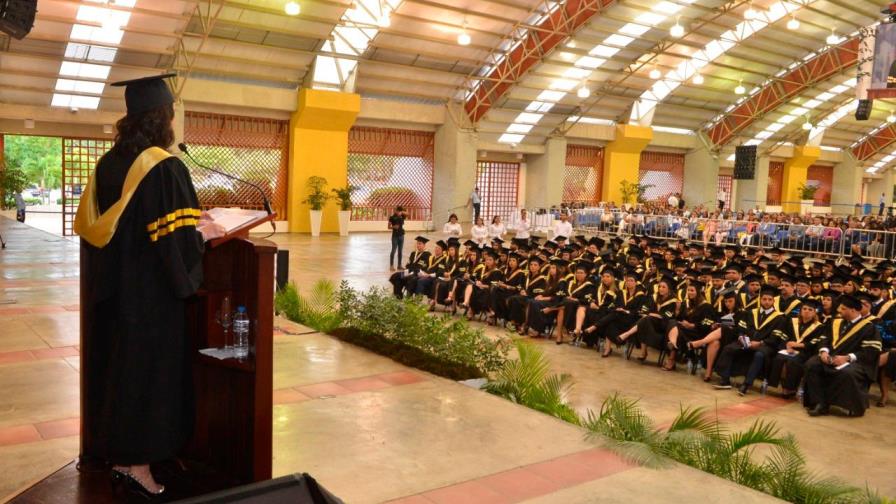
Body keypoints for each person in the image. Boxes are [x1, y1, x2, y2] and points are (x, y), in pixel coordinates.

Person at [73, 73, 226, 497]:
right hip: (150, 301)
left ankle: (119, 454)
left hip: (111, 295)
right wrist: (203, 236)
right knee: (146, 378)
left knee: (119, 374)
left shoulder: (107, 164)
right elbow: (174, 241)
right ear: (164, 118)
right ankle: (135, 465)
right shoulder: (164, 166)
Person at [803, 294, 882, 417]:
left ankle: (853, 406)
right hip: (831, 357)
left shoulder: (868, 328)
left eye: (843, 308)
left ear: (854, 310)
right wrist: (823, 351)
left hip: (856, 362)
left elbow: (871, 351)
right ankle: (820, 403)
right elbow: (824, 338)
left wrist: (847, 358)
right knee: (812, 364)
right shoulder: (835, 322)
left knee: (846, 372)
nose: (839, 310)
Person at [388, 206, 406, 271]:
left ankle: (399, 265)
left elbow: (407, 214)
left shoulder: (402, 216)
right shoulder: (392, 217)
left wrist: (401, 212)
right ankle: (391, 266)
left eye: (400, 211)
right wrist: (393, 227)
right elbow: (388, 227)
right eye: (398, 211)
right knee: (393, 251)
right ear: (395, 210)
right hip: (395, 236)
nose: (399, 212)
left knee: (400, 251)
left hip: (402, 235)